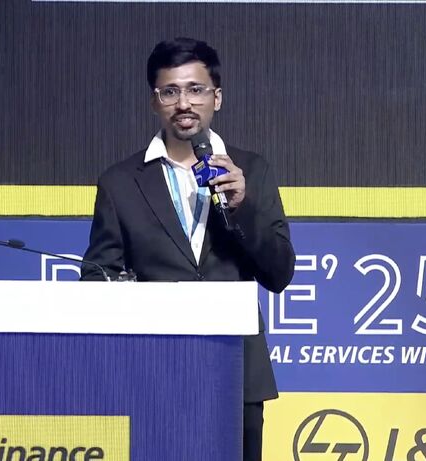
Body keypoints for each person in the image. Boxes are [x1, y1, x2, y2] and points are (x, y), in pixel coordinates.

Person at [80, 37, 295, 461]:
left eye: (196, 90)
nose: (184, 103)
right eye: (170, 91)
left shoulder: (251, 170)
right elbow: (97, 277)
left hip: (236, 371)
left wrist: (243, 207)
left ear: (217, 97)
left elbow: (279, 274)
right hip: (153, 374)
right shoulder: (120, 182)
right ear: (154, 101)